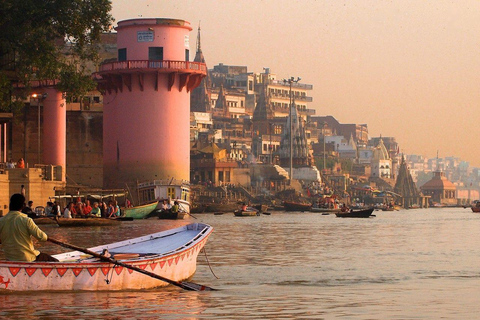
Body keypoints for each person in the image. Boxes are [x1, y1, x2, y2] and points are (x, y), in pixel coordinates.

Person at [0, 193, 58, 262]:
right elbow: (42, 237)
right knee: (54, 261)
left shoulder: (1, 221)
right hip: (27, 258)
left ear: (10, 205)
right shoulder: (26, 220)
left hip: (10, 259)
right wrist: (47, 237)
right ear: (22, 206)